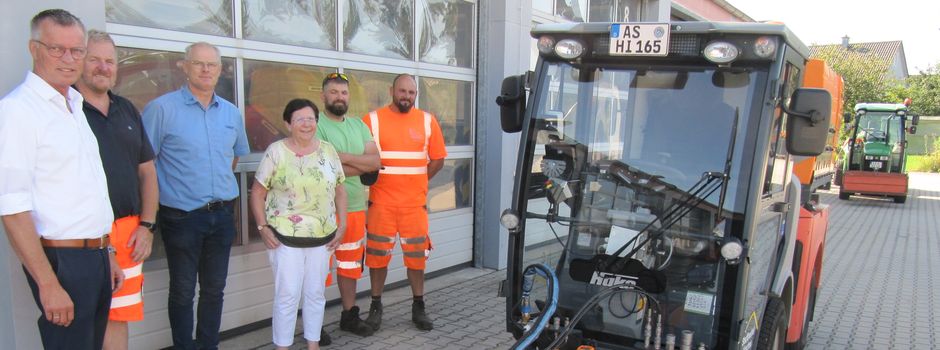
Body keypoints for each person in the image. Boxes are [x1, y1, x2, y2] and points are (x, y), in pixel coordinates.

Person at [0, 9, 123, 349]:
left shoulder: (73, 105)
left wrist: (106, 252)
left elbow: (86, 192)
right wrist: (48, 284)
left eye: (77, 50)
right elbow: (12, 208)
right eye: (57, 49)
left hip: (96, 256)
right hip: (62, 262)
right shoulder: (18, 111)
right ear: (34, 48)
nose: (69, 59)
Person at [142, 41, 250, 350]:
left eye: (211, 64)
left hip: (222, 215)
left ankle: (208, 345)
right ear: (185, 67)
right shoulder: (161, 109)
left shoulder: (231, 113)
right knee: (183, 291)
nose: (205, 70)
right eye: (198, 63)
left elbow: (233, 158)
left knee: (214, 289)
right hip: (181, 217)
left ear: (220, 69)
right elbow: (145, 163)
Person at [75, 29, 158, 350]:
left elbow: (147, 172)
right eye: (94, 59)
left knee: (119, 315)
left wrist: (147, 226)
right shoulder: (65, 109)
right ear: (80, 60)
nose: (103, 67)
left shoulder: (126, 109)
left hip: (128, 233)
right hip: (81, 235)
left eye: (109, 61)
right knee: (82, 319)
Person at [249, 98, 347, 350]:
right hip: (284, 238)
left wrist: (342, 224)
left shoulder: (328, 151)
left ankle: (313, 345)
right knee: (287, 295)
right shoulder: (276, 152)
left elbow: (340, 190)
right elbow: (257, 193)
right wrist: (262, 227)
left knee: (315, 294)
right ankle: (283, 346)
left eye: (311, 119)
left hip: (322, 238)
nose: (306, 124)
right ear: (288, 124)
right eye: (299, 119)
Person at [362, 74, 447, 331]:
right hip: (381, 205)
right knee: (377, 259)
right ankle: (375, 306)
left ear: (416, 95)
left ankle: (418, 307)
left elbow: (438, 159)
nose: (406, 96)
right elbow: (363, 159)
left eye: (411, 92)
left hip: (414, 206)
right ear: (392, 91)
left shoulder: (427, 121)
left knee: (417, 259)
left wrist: (418, 181)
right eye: (402, 91)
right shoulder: (372, 120)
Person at [315, 72, 381, 337]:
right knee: (318, 269)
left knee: (350, 265)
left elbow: (375, 163)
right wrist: (359, 163)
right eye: (333, 92)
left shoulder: (359, 125)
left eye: (343, 92)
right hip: (321, 211)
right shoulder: (315, 123)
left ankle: (349, 316)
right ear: (323, 96)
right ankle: (315, 325)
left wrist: (339, 157)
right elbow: (320, 166)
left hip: (354, 208)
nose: (339, 97)